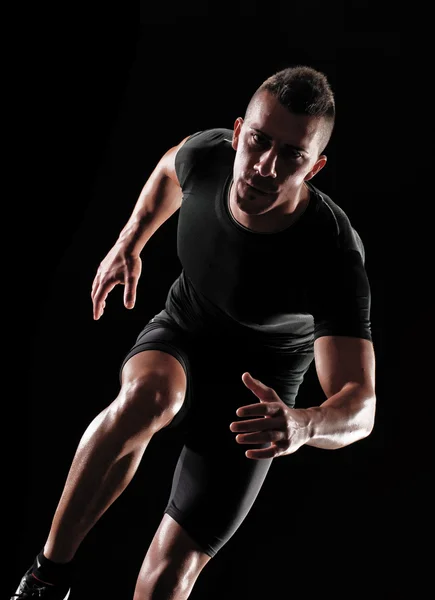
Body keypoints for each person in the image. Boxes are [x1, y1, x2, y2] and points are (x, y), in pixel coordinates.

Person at [12, 65, 376, 600]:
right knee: (148, 396)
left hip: (259, 394)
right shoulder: (205, 157)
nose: (265, 167)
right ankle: (46, 578)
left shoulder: (334, 254)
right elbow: (166, 172)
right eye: (258, 142)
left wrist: (301, 425)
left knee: (168, 578)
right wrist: (129, 240)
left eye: (292, 155)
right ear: (236, 134)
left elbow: (361, 407)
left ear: (315, 166)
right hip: (186, 331)